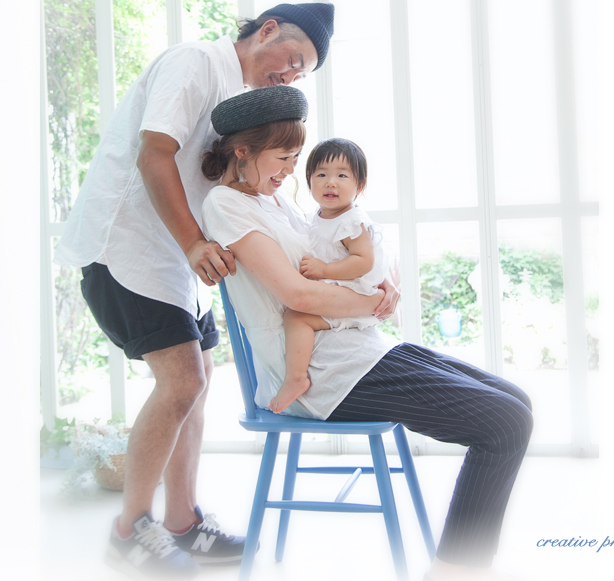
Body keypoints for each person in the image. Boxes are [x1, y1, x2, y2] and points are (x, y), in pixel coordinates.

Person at [53, 4, 395, 579]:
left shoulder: (244, 102)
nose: (292, 74)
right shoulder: (195, 62)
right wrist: (193, 243)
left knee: (199, 381)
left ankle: (182, 521)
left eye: (303, 72)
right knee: (182, 381)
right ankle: (129, 530)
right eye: (293, 58)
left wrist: (363, 263)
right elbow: (154, 152)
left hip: (176, 256)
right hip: (125, 245)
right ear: (267, 30)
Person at [201, 85, 533, 580]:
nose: (291, 170)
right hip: (319, 368)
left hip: (353, 344)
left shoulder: (276, 201)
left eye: (295, 159)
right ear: (243, 152)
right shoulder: (227, 205)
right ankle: (455, 571)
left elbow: (341, 254)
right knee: (504, 423)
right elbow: (298, 295)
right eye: (284, 158)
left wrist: (382, 285)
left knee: (516, 401)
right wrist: (370, 304)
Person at [271, 137, 387, 414]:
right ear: (309, 181)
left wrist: (324, 270)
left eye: (342, 176)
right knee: (296, 315)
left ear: (359, 186)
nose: (330, 183)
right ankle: (298, 375)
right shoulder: (321, 215)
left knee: (296, 317)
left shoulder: (351, 221)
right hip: (340, 289)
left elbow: (363, 261)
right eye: (321, 175)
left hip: (354, 293)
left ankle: (296, 378)